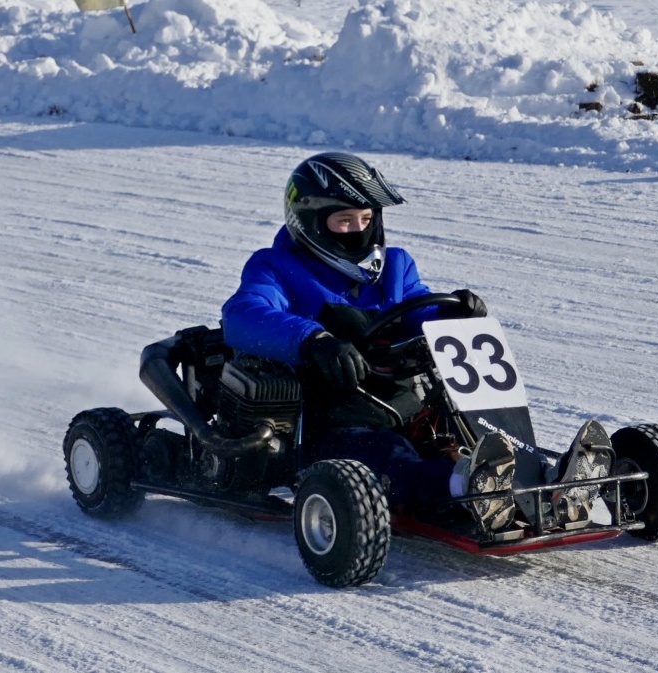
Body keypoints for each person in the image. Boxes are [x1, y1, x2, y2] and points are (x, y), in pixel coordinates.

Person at [221, 152, 516, 531]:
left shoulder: (396, 265)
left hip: (402, 402)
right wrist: (313, 339)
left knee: (469, 432)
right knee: (389, 459)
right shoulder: (276, 267)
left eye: (366, 219)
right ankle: (466, 487)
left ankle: (547, 478)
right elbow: (242, 314)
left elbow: (415, 310)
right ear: (310, 223)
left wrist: (451, 314)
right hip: (334, 417)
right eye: (344, 221)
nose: (359, 231)